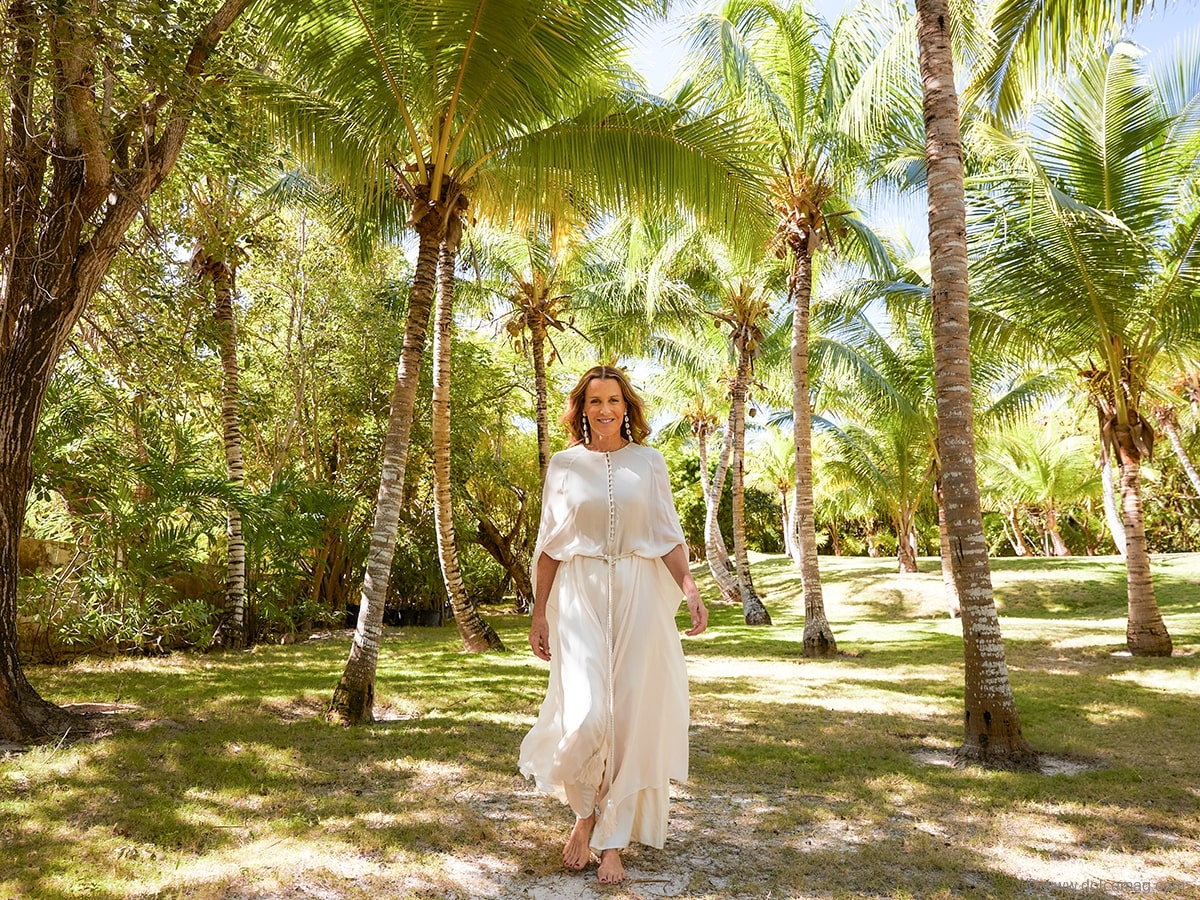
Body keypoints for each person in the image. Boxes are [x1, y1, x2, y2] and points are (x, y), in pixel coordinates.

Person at [518, 365, 708, 885]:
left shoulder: (649, 462)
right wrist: (539, 613)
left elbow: (667, 534)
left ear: (627, 408)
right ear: (581, 408)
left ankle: (612, 841)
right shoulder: (563, 465)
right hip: (580, 595)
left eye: (614, 401)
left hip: (637, 594)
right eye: (595, 401)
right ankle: (585, 812)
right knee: (587, 715)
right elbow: (549, 545)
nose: (604, 410)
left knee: (629, 719)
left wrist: (690, 588)